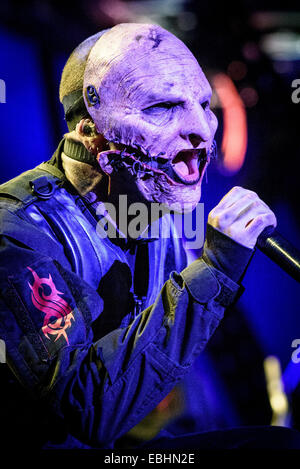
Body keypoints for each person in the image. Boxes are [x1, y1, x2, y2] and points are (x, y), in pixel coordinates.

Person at [1, 23, 298, 450]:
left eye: (203, 104)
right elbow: (90, 412)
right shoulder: (16, 232)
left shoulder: (151, 207)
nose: (202, 131)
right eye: (162, 108)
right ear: (89, 128)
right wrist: (213, 270)